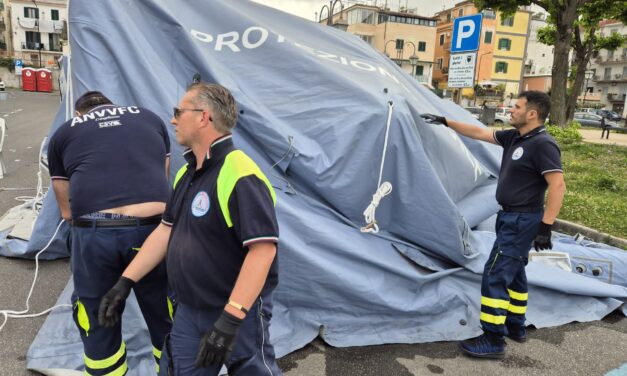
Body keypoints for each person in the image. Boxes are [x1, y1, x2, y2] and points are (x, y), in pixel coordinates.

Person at [98, 83, 282, 375]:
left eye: (178, 112)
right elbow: (165, 231)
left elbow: (263, 250)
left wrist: (231, 318)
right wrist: (125, 282)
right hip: (188, 311)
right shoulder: (186, 173)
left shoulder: (240, 173)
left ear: (203, 117)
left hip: (236, 314)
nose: (173, 120)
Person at [421, 91, 566, 358]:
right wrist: (445, 121)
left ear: (532, 114)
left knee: (495, 274)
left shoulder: (543, 144)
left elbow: (557, 185)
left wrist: (547, 226)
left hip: (522, 220)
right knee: (515, 271)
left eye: (517, 107)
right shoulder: (515, 137)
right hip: (510, 217)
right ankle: (515, 325)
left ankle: (493, 338)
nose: (511, 110)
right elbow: (478, 133)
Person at [47, 91, 173, 375]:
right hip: (154, 230)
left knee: (97, 313)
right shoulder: (149, 118)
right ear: (112, 105)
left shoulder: (65, 132)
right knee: (165, 310)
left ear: (80, 114)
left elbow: (66, 207)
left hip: (96, 233)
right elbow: (162, 175)